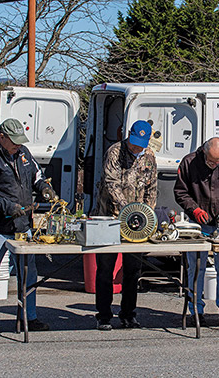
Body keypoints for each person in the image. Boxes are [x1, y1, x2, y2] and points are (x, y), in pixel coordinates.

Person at [0, 118, 56, 334]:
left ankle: (30, 316)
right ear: (2, 137)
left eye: (20, 141)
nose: (18, 145)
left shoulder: (24, 154)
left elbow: (38, 176)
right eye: (14, 141)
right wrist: (9, 207)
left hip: (23, 227)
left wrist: (44, 188)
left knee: (29, 274)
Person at [174, 137, 219, 326]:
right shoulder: (189, 162)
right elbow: (180, 192)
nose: (215, 165)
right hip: (197, 224)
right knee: (195, 268)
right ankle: (196, 311)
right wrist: (194, 209)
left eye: (218, 161)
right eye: (211, 161)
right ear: (204, 152)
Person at [94, 120, 157, 330]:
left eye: (140, 144)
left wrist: (147, 214)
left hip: (137, 223)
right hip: (110, 219)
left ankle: (129, 313)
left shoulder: (149, 157)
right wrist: (127, 209)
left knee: (133, 270)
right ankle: (103, 315)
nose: (135, 147)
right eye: (133, 142)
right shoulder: (115, 152)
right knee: (105, 269)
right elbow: (111, 183)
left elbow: (152, 188)